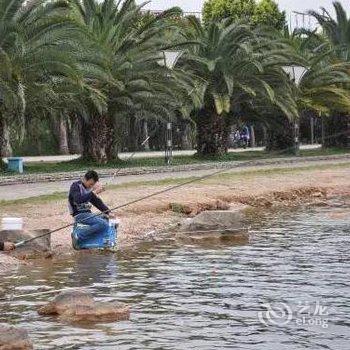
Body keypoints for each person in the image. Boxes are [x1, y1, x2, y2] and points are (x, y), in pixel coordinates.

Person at [68, 170, 113, 246]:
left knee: (106, 218)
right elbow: (78, 200)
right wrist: (94, 192)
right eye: (90, 184)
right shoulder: (75, 186)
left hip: (88, 214)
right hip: (79, 215)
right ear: (85, 179)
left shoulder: (89, 189)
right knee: (103, 224)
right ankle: (78, 236)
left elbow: (97, 202)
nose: (91, 186)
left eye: (93, 184)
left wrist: (108, 212)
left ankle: (100, 242)